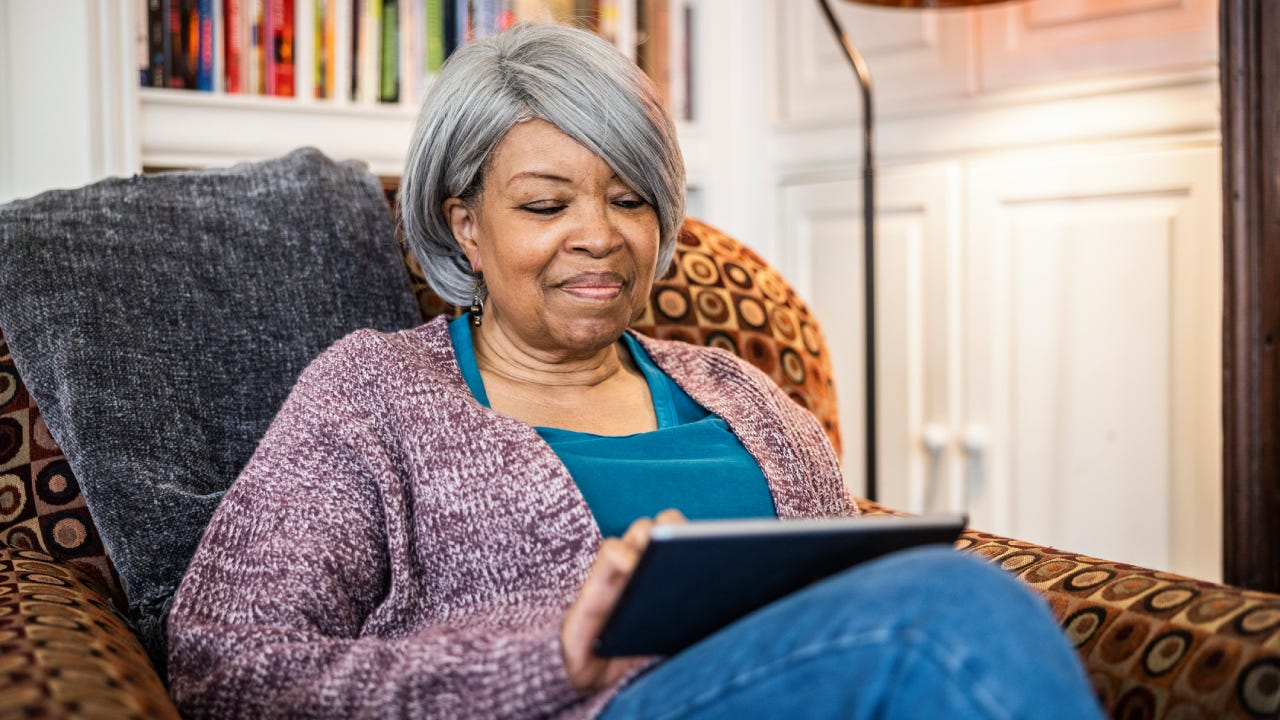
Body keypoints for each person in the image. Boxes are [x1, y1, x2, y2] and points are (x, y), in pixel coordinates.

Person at [166, 22, 1103, 720]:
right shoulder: (373, 396)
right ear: (465, 226)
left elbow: (838, 592)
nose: (599, 237)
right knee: (944, 612)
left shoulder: (740, 392)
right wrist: (547, 662)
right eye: (544, 203)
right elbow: (226, 667)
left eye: (628, 198)